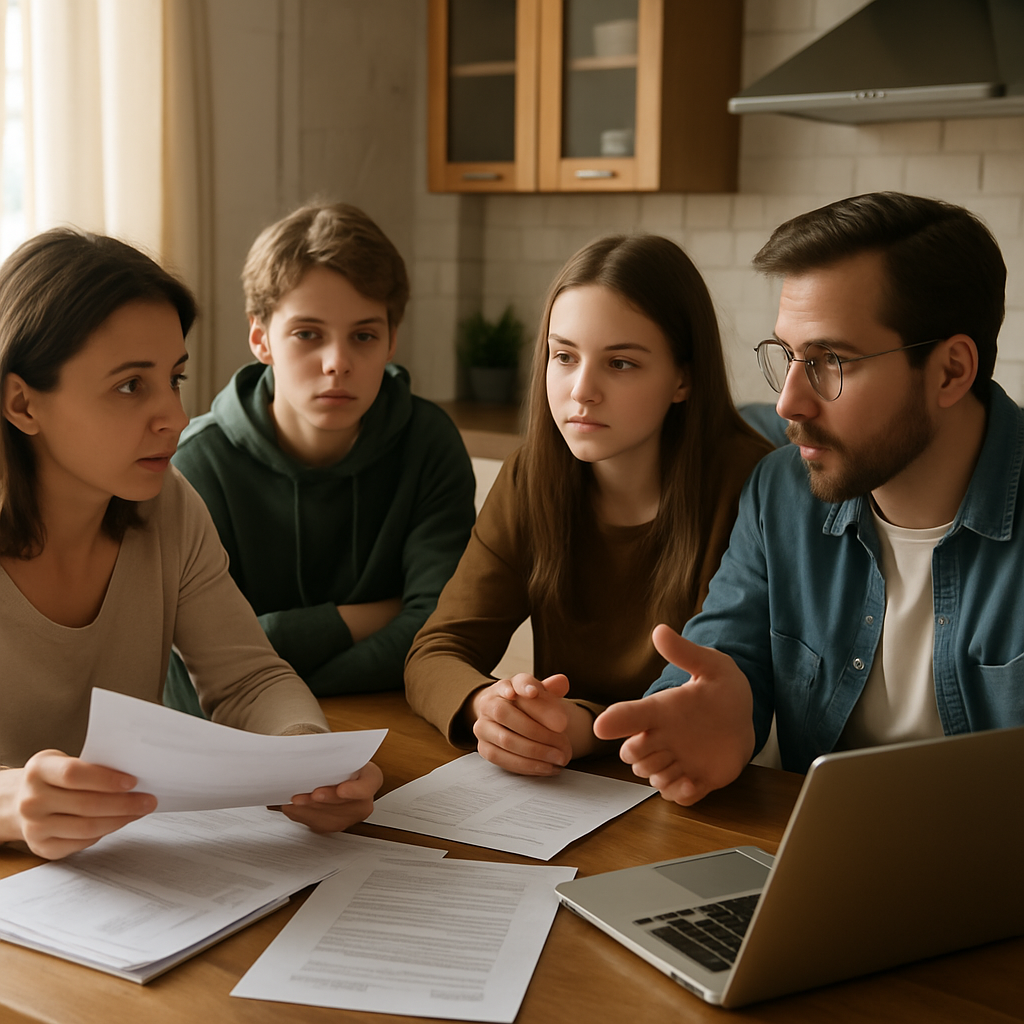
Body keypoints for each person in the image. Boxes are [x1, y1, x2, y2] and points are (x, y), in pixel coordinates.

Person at [595, 191, 1024, 805]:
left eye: (831, 361)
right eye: (791, 357)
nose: (789, 402)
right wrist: (706, 716)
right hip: (815, 868)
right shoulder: (782, 490)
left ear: (951, 371)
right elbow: (719, 660)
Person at [0, 228, 382, 860]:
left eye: (173, 379)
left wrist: (305, 758)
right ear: (22, 402)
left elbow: (249, 680)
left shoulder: (167, 505)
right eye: (130, 385)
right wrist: (11, 805)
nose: (174, 417)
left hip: (120, 877)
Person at [405, 234, 772, 775]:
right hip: (572, 794)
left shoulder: (751, 489)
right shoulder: (531, 477)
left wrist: (585, 729)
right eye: (563, 356)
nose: (581, 390)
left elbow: (716, 702)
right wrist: (490, 707)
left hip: (704, 788)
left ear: (683, 378)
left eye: (620, 363)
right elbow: (436, 651)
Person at [162, 202, 476, 717]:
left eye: (364, 336)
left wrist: (277, 649)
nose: (338, 363)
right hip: (233, 741)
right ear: (261, 337)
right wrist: (376, 617)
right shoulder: (195, 465)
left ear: (392, 340)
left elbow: (438, 632)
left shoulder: (428, 441)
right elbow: (197, 676)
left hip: (401, 722)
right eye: (308, 334)